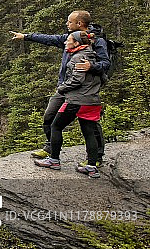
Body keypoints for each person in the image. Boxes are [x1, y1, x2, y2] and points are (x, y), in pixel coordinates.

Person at [9, 10, 110, 165]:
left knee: (90, 126)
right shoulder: (69, 38)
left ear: (79, 24)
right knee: (49, 117)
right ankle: (51, 148)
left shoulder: (97, 41)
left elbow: (105, 64)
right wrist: (26, 36)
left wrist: (91, 66)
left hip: (84, 90)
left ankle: (96, 158)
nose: (66, 24)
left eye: (69, 22)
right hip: (64, 87)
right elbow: (50, 39)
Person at [30, 31, 103, 176]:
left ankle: (54, 160)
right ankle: (91, 167)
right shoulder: (93, 58)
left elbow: (76, 80)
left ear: (76, 43)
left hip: (76, 101)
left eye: (68, 40)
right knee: (89, 133)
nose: (65, 42)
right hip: (93, 101)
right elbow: (104, 78)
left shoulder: (78, 57)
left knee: (55, 126)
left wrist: (61, 88)